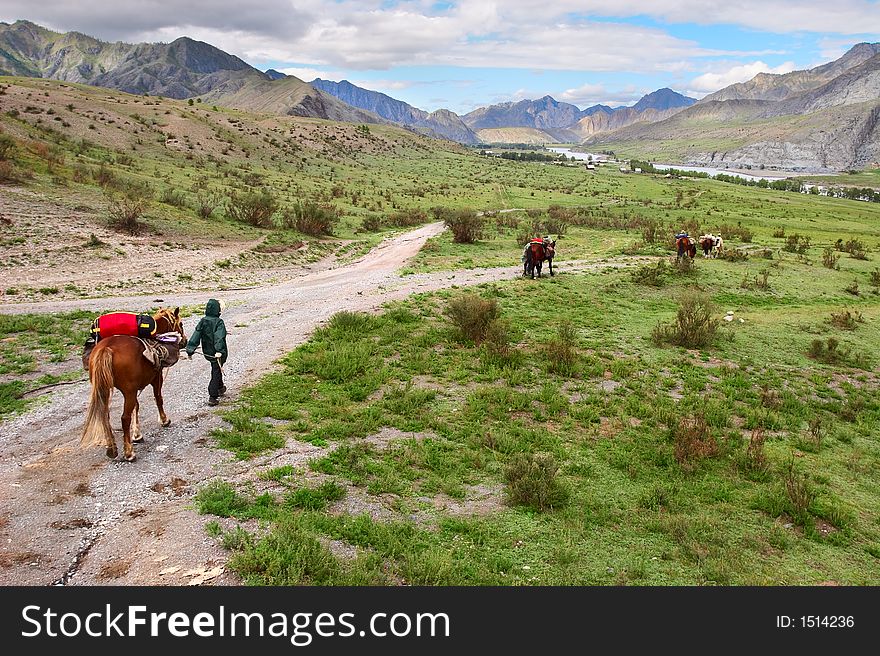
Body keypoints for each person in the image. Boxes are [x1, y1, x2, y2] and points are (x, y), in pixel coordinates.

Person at [185, 298, 228, 406]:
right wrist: (219, 350)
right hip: (218, 352)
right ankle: (213, 396)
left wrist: (190, 349)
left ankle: (220, 387)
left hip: (207, 351)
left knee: (216, 368)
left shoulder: (203, 321)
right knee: (216, 370)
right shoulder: (219, 322)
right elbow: (219, 337)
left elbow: (196, 335)